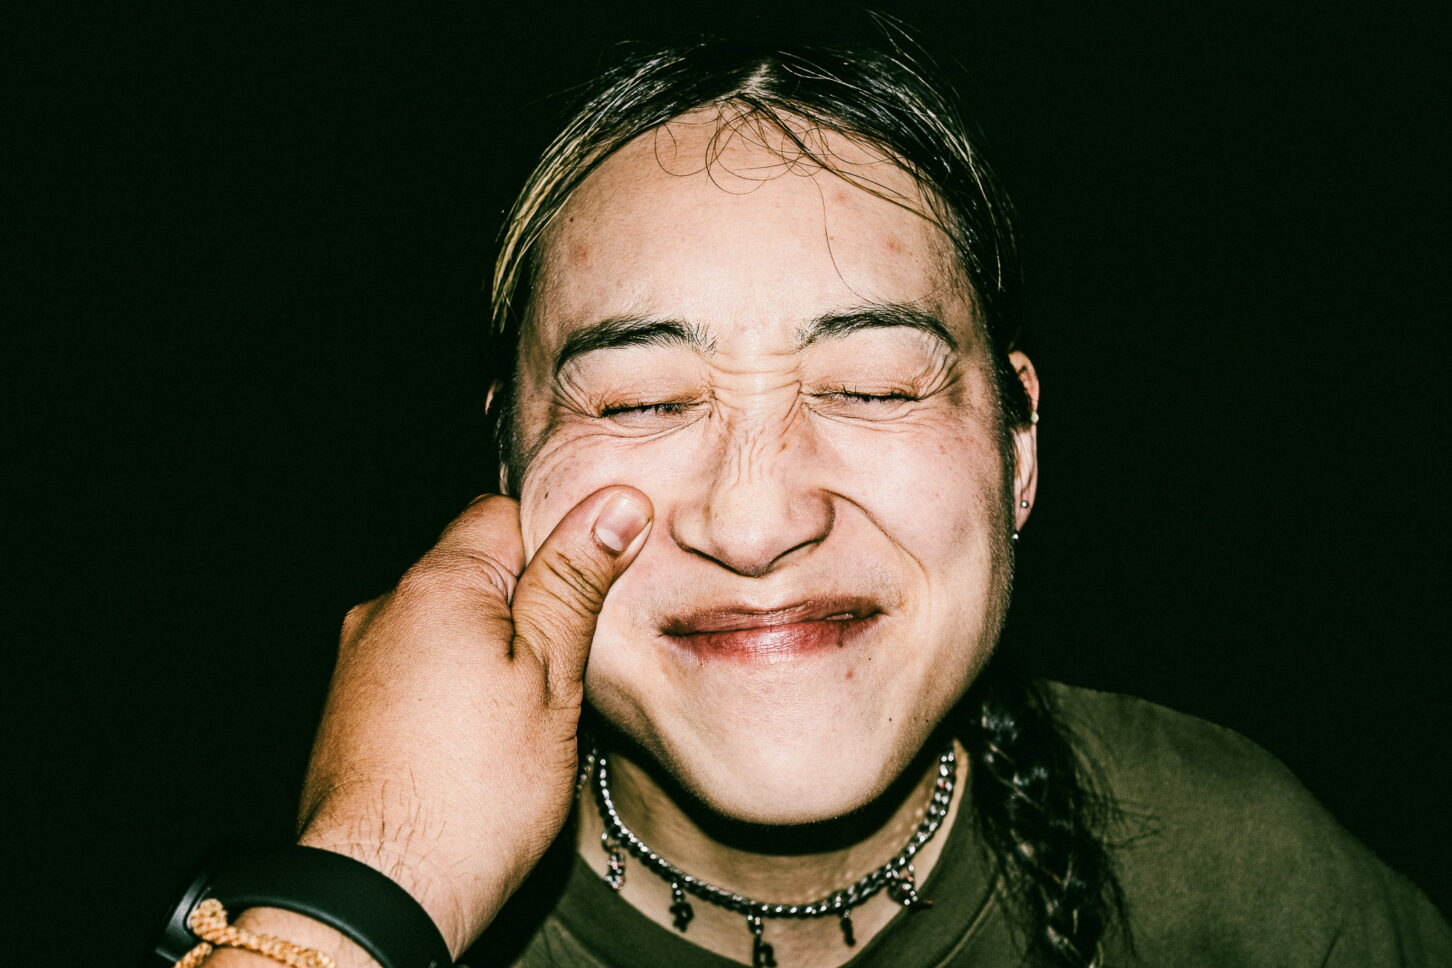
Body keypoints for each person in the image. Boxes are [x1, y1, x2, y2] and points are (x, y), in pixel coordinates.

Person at [168, 29, 1451, 968]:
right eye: (640, 400)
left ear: (1017, 449)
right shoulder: (413, 919)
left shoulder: (1241, 866)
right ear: (505, 477)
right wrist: (374, 879)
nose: (758, 516)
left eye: (880, 385)